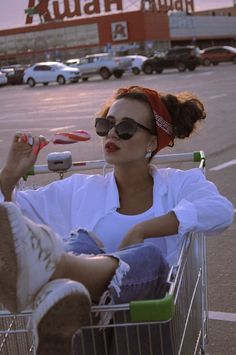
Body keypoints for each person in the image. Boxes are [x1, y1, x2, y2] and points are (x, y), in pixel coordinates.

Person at [0, 86, 233, 355]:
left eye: (126, 128)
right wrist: (8, 176)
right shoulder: (79, 191)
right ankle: (61, 272)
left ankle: (57, 270)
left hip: (146, 329)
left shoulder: (180, 184)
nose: (112, 133)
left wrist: (143, 229)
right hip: (89, 337)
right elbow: (9, 218)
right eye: (106, 125)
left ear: (152, 142)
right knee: (81, 240)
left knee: (149, 258)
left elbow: (220, 211)